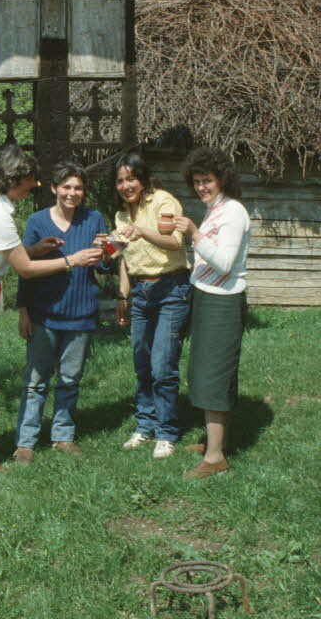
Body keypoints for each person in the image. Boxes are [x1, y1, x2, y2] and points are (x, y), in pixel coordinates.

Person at [0, 145, 103, 492]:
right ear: (15, 178)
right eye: (29, 179)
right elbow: (23, 270)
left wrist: (38, 249)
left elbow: (11, 255)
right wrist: (72, 261)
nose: (34, 184)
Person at [13, 161, 109, 464]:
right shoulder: (38, 222)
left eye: (78, 187)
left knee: (69, 379)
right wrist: (23, 310)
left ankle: (62, 435)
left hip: (81, 311)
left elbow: (106, 262)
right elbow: (24, 269)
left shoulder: (93, 219)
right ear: (54, 189)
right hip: (44, 313)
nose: (72, 193)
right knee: (36, 380)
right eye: (66, 186)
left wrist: (105, 255)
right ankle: (25, 442)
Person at [172, 146, 251, 480]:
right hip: (206, 296)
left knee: (213, 374)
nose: (202, 187)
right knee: (206, 370)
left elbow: (224, 263)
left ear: (222, 179)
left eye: (208, 180)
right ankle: (212, 442)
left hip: (223, 300)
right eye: (197, 181)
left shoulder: (233, 212)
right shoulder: (215, 209)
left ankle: (216, 456)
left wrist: (193, 233)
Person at [113, 152, 190, 459]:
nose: (125, 185)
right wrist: (122, 296)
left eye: (131, 178)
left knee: (162, 365)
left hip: (171, 288)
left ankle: (166, 432)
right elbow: (124, 257)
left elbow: (175, 243)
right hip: (140, 292)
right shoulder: (120, 215)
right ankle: (144, 426)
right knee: (142, 363)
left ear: (142, 179)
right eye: (119, 180)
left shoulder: (163, 202)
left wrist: (143, 231)